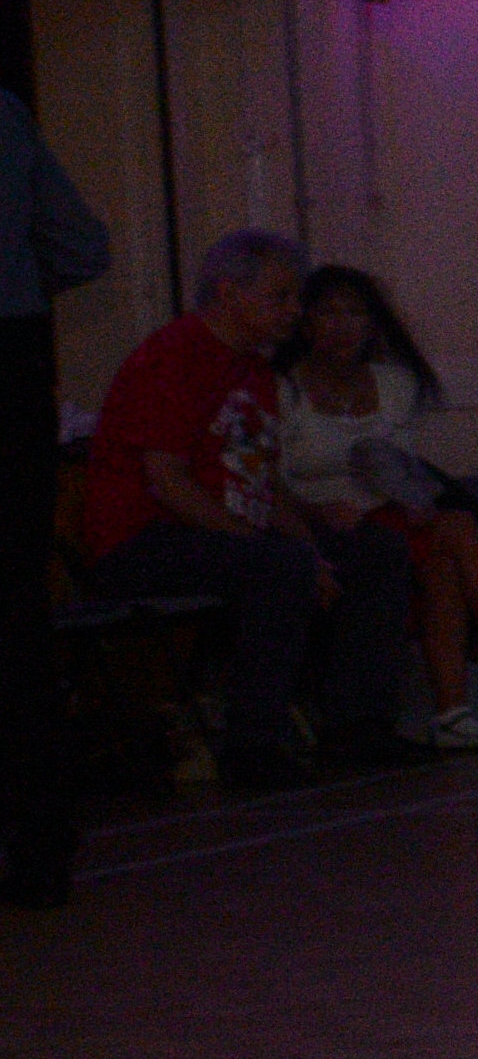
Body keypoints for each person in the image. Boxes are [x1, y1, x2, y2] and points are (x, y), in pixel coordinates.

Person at [73, 229, 403, 790]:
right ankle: (253, 745)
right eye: (281, 297)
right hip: (142, 539)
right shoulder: (173, 356)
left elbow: (262, 485)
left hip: (221, 532)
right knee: (278, 566)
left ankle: (358, 724)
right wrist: (270, 548)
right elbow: (167, 482)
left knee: (374, 551)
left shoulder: (254, 371)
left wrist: (310, 545)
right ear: (229, 294)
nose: (295, 311)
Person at [275, 265, 478, 752]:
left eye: (354, 313)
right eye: (327, 313)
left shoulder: (395, 384)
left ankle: (455, 709)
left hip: (390, 511)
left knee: (447, 549)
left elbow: (400, 464)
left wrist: (414, 497)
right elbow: (272, 478)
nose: (342, 326)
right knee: (455, 532)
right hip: (322, 520)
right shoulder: (284, 388)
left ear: (373, 323)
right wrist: (314, 513)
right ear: (304, 321)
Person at [0, 74, 114, 899]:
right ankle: (41, 842)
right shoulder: (6, 113)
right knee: (16, 607)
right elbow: (80, 246)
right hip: (13, 363)